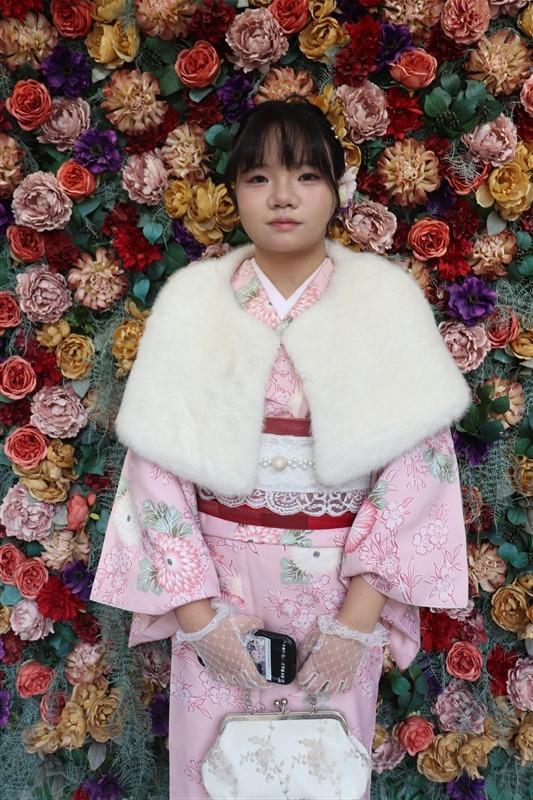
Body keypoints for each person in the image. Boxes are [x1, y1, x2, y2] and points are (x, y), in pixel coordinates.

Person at [91, 99, 471, 800]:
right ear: (233, 192)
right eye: (259, 178)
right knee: (213, 772)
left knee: (325, 767)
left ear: (337, 189)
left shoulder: (384, 306)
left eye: (306, 175)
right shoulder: (194, 305)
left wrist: (356, 622)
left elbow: (419, 470)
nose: (283, 197)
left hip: (340, 595)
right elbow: (155, 474)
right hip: (219, 592)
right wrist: (199, 618)